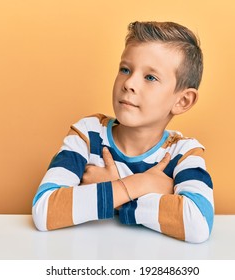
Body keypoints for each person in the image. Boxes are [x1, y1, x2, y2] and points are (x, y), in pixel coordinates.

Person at [32, 21, 214, 243]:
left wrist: (110, 191)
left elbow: (198, 223)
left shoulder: (184, 153)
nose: (129, 83)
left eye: (150, 77)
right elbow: (45, 210)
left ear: (182, 101)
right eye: (125, 69)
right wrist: (142, 184)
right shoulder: (89, 134)